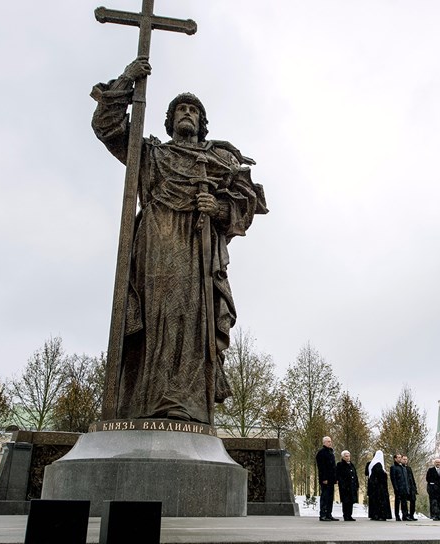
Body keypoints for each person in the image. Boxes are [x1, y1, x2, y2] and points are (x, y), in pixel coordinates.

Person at [91, 58, 268, 424]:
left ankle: (187, 407)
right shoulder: (153, 155)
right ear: (170, 121)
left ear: (202, 124)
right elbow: (107, 127)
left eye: (193, 110)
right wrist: (127, 80)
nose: (186, 113)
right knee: (153, 324)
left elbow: (250, 198)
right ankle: (141, 405)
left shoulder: (216, 160)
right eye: (180, 109)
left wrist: (218, 207)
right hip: (154, 249)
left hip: (196, 253)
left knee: (190, 324)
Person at [315, 436, 338, 521]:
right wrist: (324, 478)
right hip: (325, 479)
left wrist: (335, 478)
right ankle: (323, 514)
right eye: (328, 441)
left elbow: (333, 467)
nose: (330, 443)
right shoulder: (321, 453)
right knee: (325, 497)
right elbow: (321, 467)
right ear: (324, 442)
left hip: (331, 479)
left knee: (330, 497)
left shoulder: (331, 452)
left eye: (330, 441)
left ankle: (329, 514)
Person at [366, 451, 392, 521]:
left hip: (373, 486)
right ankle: (381, 515)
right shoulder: (378, 464)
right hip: (379, 487)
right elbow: (380, 476)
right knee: (380, 501)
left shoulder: (372, 463)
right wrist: (385, 474)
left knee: (374, 501)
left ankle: (374, 514)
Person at [390, 453, 415, 521]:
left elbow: (406, 479)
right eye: (398, 457)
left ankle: (405, 515)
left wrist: (407, 487)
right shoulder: (393, 467)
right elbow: (393, 479)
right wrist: (396, 488)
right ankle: (397, 515)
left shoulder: (403, 467)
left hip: (404, 488)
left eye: (400, 457)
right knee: (397, 503)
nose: (400, 458)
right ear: (395, 459)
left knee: (404, 503)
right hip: (398, 488)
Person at [336, 450, 359, 521]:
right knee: (346, 501)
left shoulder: (351, 465)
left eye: (348, 456)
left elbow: (355, 475)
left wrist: (357, 484)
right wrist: (342, 484)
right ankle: (345, 515)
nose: (348, 457)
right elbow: (339, 475)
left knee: (351, 501)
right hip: (345, 486)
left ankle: (350, 515)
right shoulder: (340, 465)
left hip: (352, 486)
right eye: (346, 456)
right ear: (343, 457)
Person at [402, 455, 419, 520]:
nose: (405, 460)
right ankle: (405, 515)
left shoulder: (409, 468)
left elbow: (412, 478)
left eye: (406, 459)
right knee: (404, 502)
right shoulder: (401, 468)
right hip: (405, 487)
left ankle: (411, 515)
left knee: (413, 501)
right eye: (404, 459)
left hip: (411, 487)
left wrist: (414, 487)